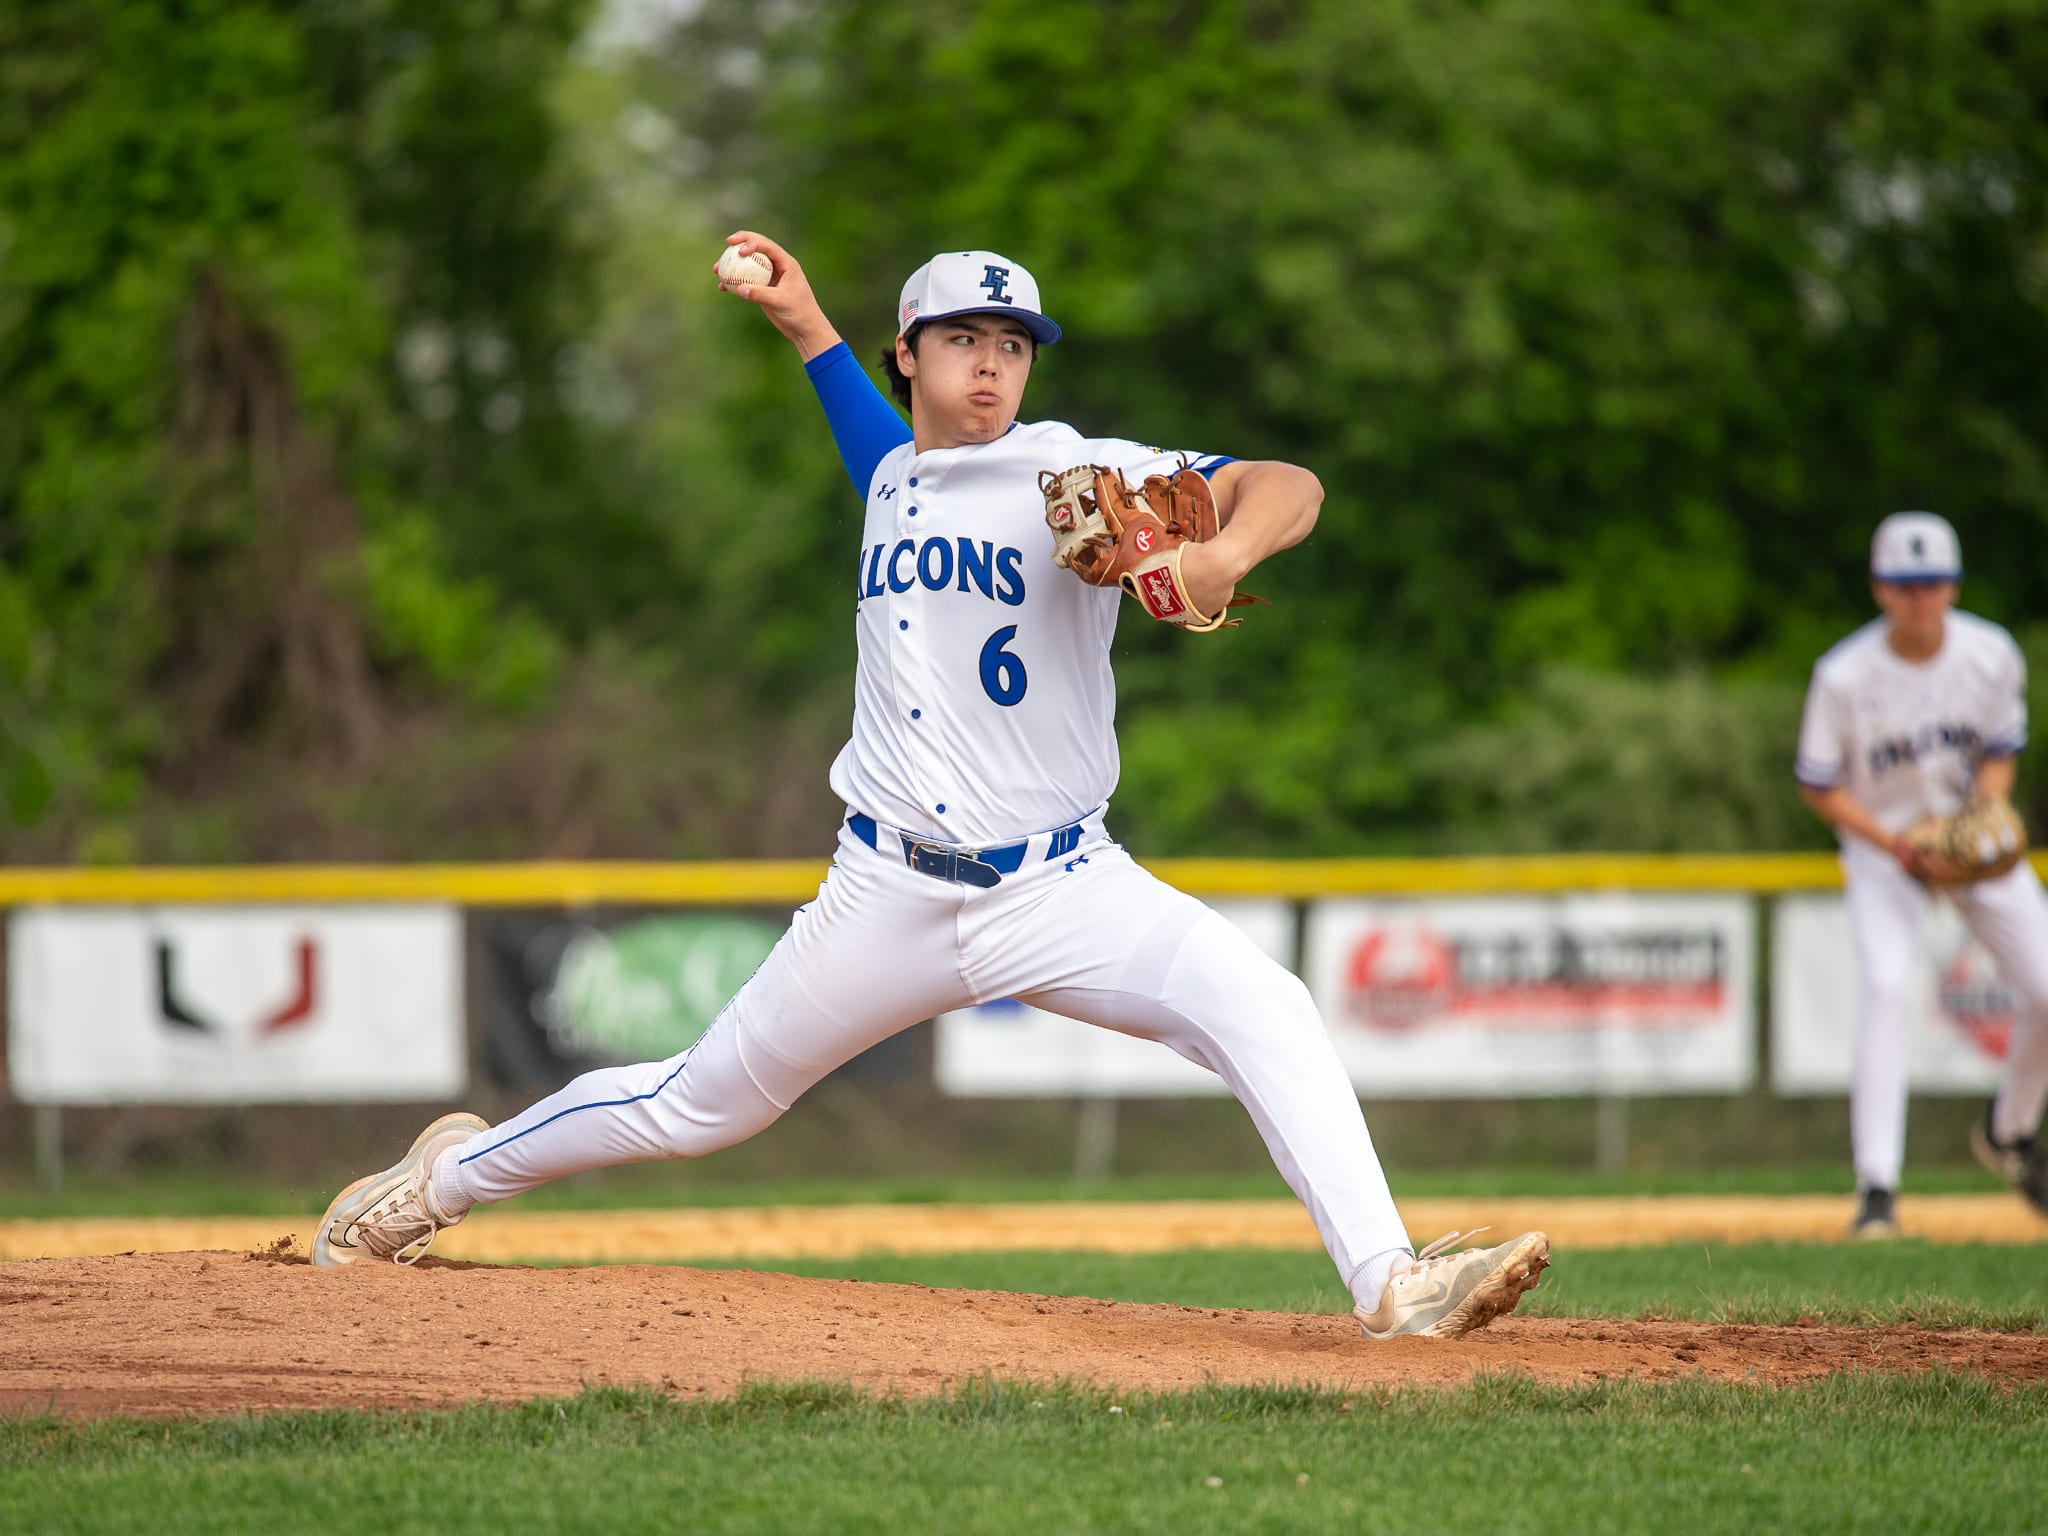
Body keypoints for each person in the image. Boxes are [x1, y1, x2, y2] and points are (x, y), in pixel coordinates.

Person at [311, 233, 1550, 1340]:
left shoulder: (1075, 473)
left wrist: (1220, 549)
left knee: (1264, 1005)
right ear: (909, 355)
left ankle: (1390, 1284)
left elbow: (1289, 484)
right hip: (885, 894)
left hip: (1063, 887)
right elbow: (876, 442)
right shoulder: (896, 477)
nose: (992, 366)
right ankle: (436, 1182)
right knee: (697, 1105)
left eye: (1011, 345)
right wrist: (802, 322)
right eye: (963, 340)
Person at [1795, 511, 2048, 1234]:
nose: (1919, 598)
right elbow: (1819, 784)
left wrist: (1982, 818)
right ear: (1880, 588)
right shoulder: (1843, 674)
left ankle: (2009, 1131)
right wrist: (1899, 843)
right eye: (1906, 585)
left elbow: (1999, 754)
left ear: (1953, 586)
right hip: (1885, 852)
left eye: (1932, 583)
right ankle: (1877, 1189)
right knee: (1884, 987)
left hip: (1970, 847)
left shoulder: (1990, 654)